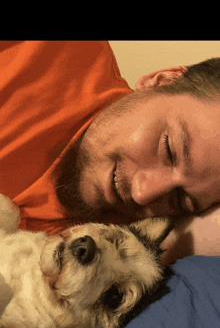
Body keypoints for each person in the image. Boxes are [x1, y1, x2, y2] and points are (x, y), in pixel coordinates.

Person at [2, 41, 220, 264]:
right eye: (168, 150)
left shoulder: (110, 249)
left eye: (179, 199)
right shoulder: (43, 50)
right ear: (162, 80)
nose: (142, 194)